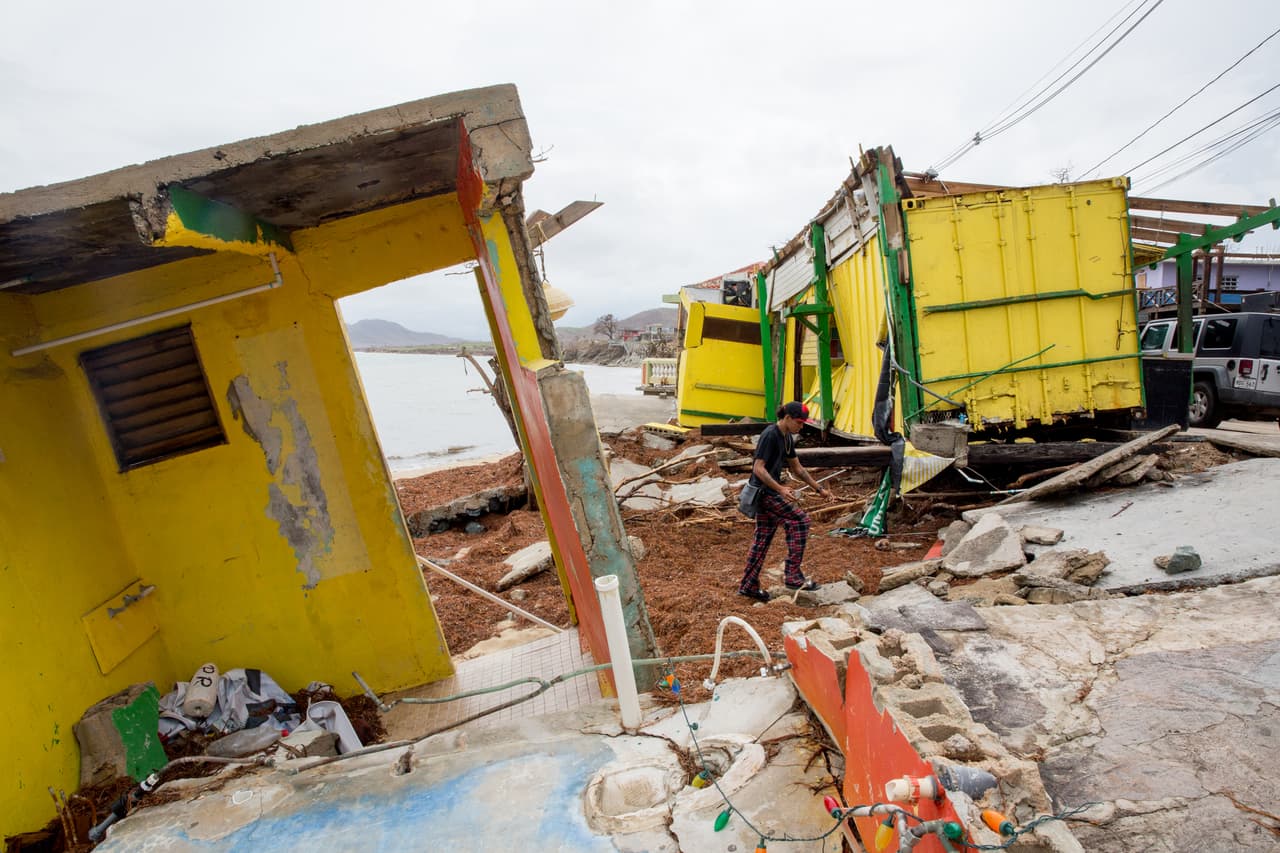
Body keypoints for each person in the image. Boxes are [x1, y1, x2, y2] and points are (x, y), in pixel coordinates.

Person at [737, 401, 834, 602]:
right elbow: (758, 469)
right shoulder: (770, 435)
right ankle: (793, 575)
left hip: (770, 493)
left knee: (762, 540)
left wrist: (819, 489)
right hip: (764, 494)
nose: (801, 426)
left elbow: (797, 468)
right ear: (787, 418)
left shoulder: (787, 437)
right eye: (799, 422)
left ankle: (748, 585)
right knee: (800, 521)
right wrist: (780, 488)